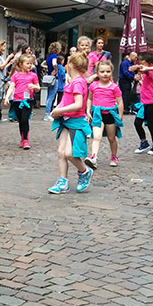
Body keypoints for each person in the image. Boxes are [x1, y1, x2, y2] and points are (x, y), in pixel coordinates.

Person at [48, 53, 93, 194]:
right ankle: (63, 182)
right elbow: (66, 100)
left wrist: (59, 110)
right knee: (61, 152)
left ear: (72, 66)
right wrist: (57, 110)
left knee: (70, 154)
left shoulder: (78, 82)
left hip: (76, 122)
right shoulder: (73, 81)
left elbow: (78, 104)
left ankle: (84, 171)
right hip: (66, 120)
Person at [85, 60, 123, 168]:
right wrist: (88, 111)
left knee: (111, 138)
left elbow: (120, 102)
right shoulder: (93, 86)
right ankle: (93, 157)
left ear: (111, 72)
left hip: (110, 114)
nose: (105, 74)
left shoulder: (114, 87)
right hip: (97, 114)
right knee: (96, 137)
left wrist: (120, 116)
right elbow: (89, 99)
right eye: (102, 72)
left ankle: (114, 156)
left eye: (108, 71)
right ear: (97, 73)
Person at [132, 54, 153, 156]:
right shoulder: (146, 74)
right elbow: (148, 85)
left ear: (150, 65)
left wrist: (138, 67)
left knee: (151, 125)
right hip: (144, 103)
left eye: (144, 64)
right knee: (137, 123)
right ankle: (144, 142)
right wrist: (140, 81)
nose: (142, 67)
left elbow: (147, 71)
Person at [4, 54, 40, 149]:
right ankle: (22, 138)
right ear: (21, 64)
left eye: (31, 63)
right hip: (17, 101)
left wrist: (34, 86)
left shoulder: (33, 75)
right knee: (20, 120)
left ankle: (26, 140)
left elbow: (38, 88)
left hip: (28, 101)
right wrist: (7, 97)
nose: (30, 65)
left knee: (25, 119)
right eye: (27, 63)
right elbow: (11, 87)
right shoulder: (15, 75)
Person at [43, 41, 62, 121]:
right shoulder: (54, 56)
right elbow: (54, 63)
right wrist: (55, 70)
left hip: (49, 78)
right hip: (54, 78)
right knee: (51, 96)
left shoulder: (48, 57)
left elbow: (43, 64)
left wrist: (48, 68)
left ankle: (47, 113)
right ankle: (47, 114)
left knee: (49, 96)